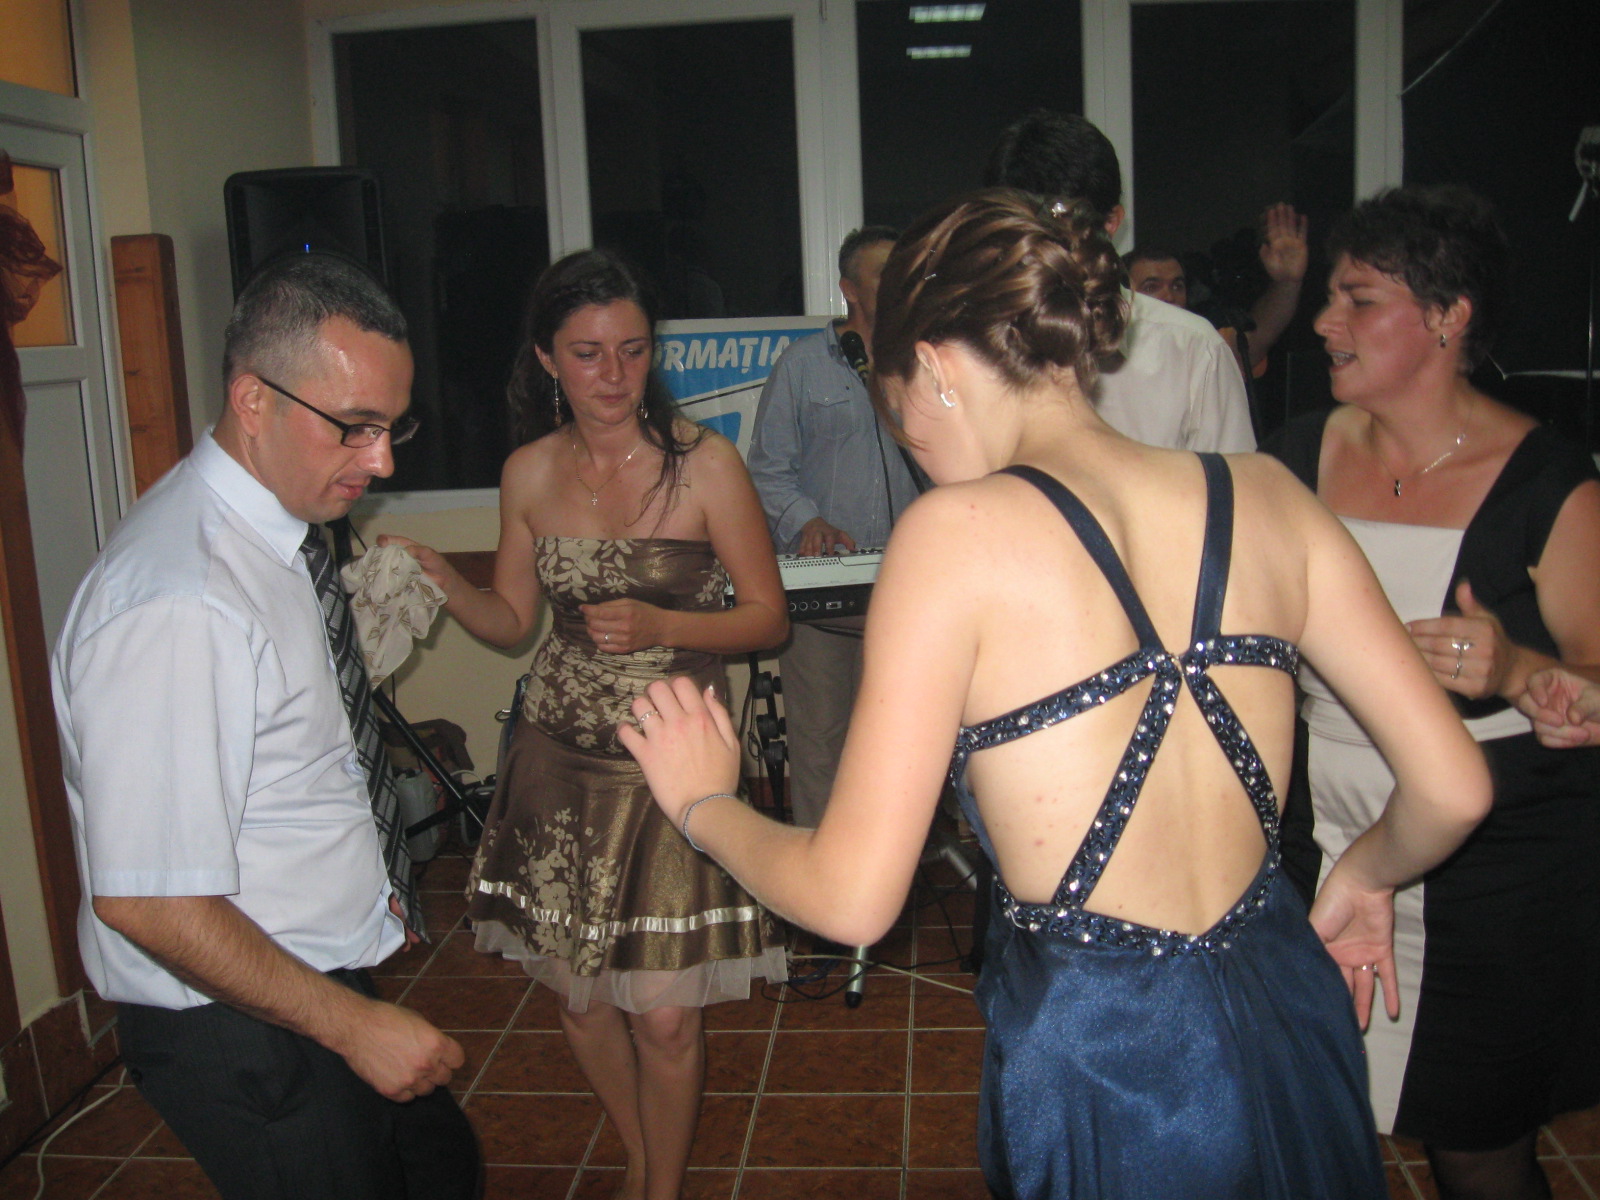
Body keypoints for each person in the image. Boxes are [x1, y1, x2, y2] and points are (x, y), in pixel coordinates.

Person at [617, 189, 1492, 1199]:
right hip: (1288, 1010)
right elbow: (1453, 787)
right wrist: (1367, 876)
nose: (915, 452)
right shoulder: (1268, 493)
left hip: (1112, 1064)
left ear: (935, 367)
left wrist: (703, 802)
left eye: (900, 416)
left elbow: (851, 897)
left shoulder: (953, 540)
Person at [52, 253, 480, 1199]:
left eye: (395, 425)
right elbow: (150, 901)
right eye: (355, 427)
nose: (384, 461)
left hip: (297, 974)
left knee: (441, 1167)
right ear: (253, 400)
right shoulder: (182, 600)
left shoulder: (277, 536)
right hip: (229, 1016)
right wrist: (353, 1026)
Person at [388, 248, 789, 1200]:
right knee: (579, 999)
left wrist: (664, 625)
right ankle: (642, 1155)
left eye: (634, 351)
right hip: (556, 760)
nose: (614, 375)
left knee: (666, 1014)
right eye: (587, 354)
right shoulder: (528, 471)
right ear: (545, 359)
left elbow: (768, 619)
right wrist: (445, 582)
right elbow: (511, 622)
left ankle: (663, 1187)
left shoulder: (706, 465)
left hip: (672, 765)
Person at [1263, 183, 1600, 1199]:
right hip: (1317, 834)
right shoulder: (1294, 456)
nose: (1325, 323)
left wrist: (1518, 671)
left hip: (1494, 866)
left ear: (1449, 318)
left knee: (1475, 1144)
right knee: (1312, 1116)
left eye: (1358, 300)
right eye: (1329, 297)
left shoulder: (1549, 482)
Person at [745, 225, 921, 827]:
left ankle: (890, 862)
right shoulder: (801, 366)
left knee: (900, 743)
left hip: (909, 590)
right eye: (883, 274)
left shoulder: (927, 363)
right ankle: (819, 865)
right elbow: (767, 469)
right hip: (823, 595)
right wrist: (807, 522)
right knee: (821, 742)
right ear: (849, 288)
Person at [985, 109, 1256, 453]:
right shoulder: (968, 346)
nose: (1042, 252)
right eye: (1019, 231)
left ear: (1111, 222)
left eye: (1057, 232)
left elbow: (1234, 484)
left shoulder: (1192, 351)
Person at [1124, 201, 1309, 379]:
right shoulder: (1111, 352)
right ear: (1124, 296)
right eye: (1151, 287)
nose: (1169, 296)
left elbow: (1254, 343)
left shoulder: (1203, 344)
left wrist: (1287, 282)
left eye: (1177, 286)